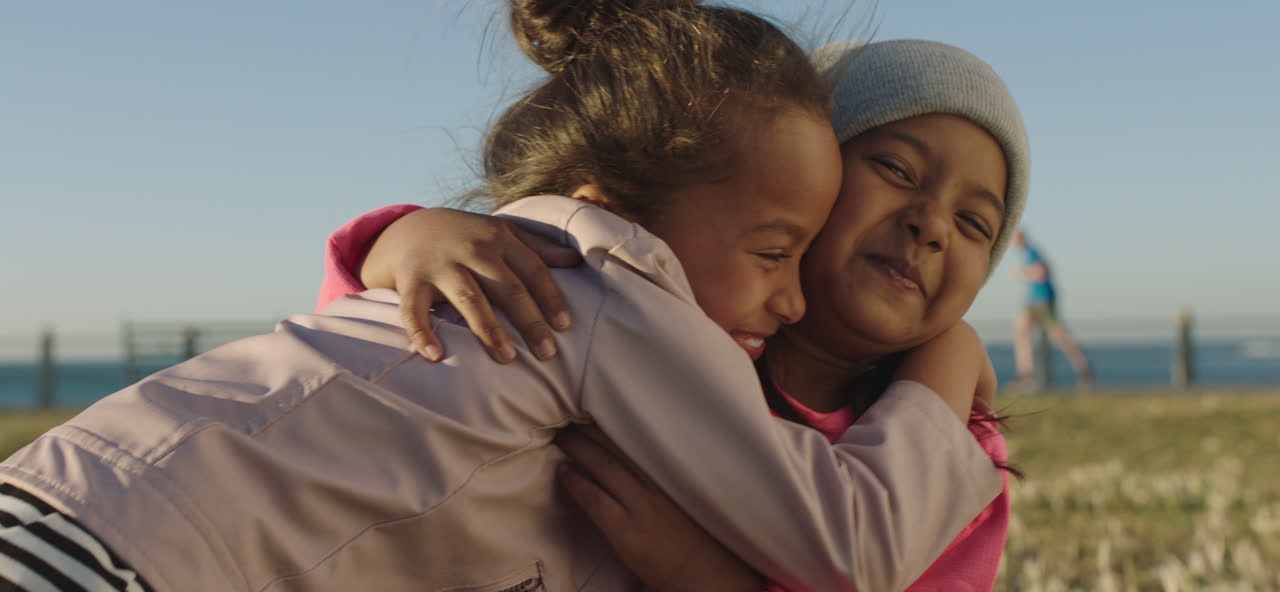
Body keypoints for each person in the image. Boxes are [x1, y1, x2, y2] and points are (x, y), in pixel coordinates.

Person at [0, 0, 1001, 592]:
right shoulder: (621, 295)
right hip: (128, 554)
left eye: (977, 223)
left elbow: (367, 387)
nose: (781, 297)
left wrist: (395, 240)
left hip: (84, 501)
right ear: (616, 213)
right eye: (773, 250)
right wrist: (946, 367)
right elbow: (852, 547)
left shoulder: (573, 288)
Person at [318, 37, 1031, 592]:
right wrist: (401, 242)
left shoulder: (952, 462)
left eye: (975, 224)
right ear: (801, 177)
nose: (932, 224)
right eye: (897, 170)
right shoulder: (655, 323)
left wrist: (708, 579)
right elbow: (387, 378)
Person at [1012, 228, 1095, 389]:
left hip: (1043, 301)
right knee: (1020, 331)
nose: (1011, 244)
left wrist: (1022, 273)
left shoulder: (1032, 251)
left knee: (1059, 337)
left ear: (1020, 239)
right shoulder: (1027, 253)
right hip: (1033, 302)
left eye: (1013, 239)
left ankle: (1084, 370)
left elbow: (1041, 273)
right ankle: (1025, 375)